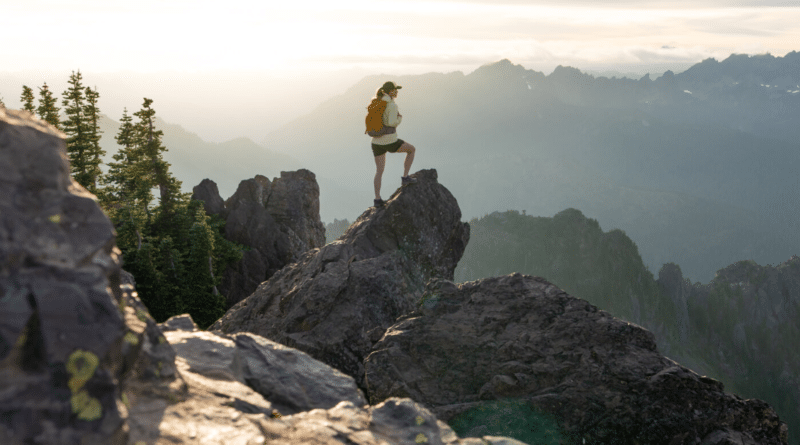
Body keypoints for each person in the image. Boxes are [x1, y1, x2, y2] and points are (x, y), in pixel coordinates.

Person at [370, 81, 416, 207]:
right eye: (395, 90)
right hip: (389, 140)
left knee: (379, 171)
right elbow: (391, 123)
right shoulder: (391, 105)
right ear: (390, 91)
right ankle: (405, 178)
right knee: (411, 150)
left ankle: (377, 199)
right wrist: (399, 118)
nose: (396, 92)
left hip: (376, 141)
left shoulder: (378, 101)